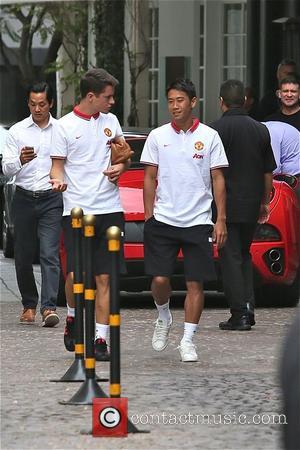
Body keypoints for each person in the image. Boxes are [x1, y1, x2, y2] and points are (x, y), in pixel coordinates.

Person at [140, 78, 228, 362]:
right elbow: (149, 177)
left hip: (198, 220)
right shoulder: (157, 136)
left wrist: (221, 219)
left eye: (180, 100)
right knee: (160, 279)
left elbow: (218, 178)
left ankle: (188, 340)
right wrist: (148, 213)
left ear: (193, 102)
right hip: (163, 219)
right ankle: (163, 315)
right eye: (171, 101)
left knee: (195, 283)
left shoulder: (210, 136)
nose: (175, 106)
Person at [50, 68, 130, 361]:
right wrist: (57, 180)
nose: (112, 102)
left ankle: (100, 339)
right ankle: (72, 316)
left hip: (110, 209)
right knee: (74, 275)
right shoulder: (64, 126)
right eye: (108, 97)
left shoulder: (111, 122)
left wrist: (119, 169)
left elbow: (123, 157)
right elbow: (57, 166)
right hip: (77, 211)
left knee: (104, 279)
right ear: (91, 96)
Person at [210, 80, 277, 331]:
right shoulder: (260, 129)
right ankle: (248, 307)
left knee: (230, 256)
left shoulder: (214, 130)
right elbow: (267, 171)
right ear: (246, 101)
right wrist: (264, 201)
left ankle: (239, 313)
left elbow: (210, 171)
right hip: (251, 203)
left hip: (225, 202)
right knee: (245, 254)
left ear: (221, 102)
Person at [2, 82, 63, 326]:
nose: (37, 109)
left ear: (51, 103)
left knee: (49, 253)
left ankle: (48, 308)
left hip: (51, 197)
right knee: (24, 256)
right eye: (33, 104)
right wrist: (20, 160)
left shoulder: (61, 130)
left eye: (42, 104)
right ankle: (29, 304)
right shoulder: (17, 131)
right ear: (28, 103)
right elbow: (6, 169)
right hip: (24, 197)